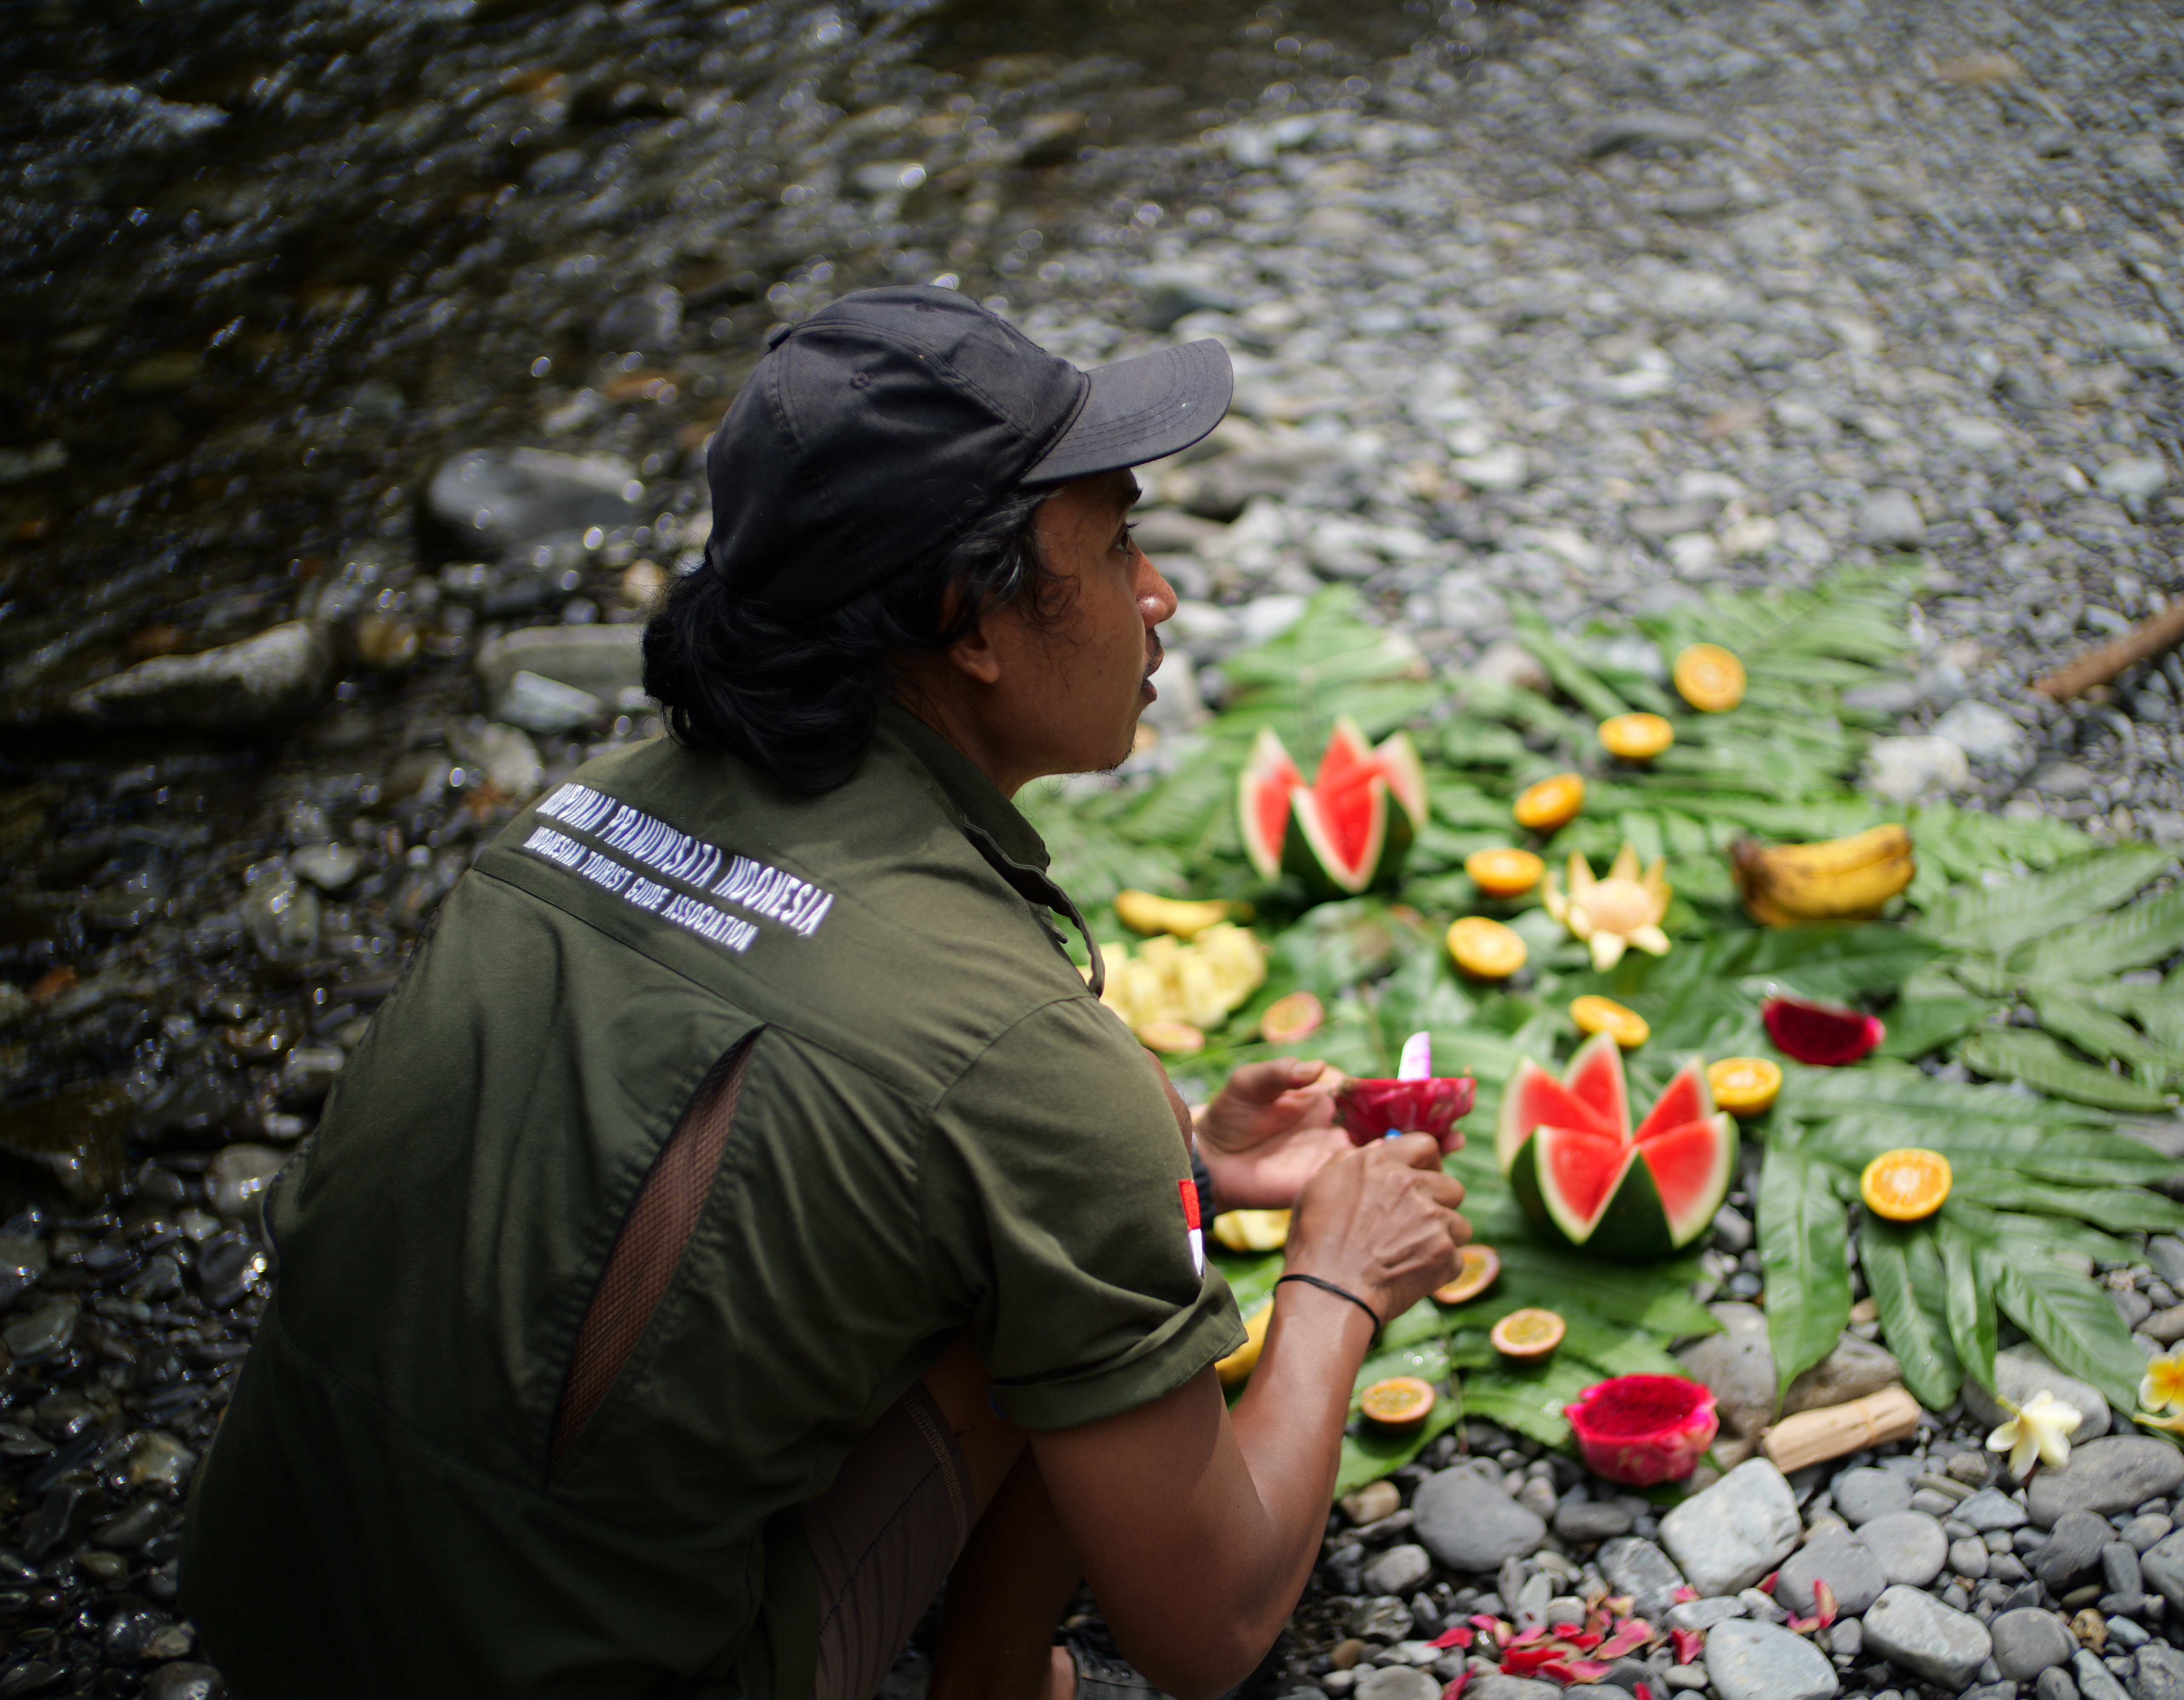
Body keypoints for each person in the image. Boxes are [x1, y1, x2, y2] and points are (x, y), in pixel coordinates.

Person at [183, 286, 1471, 1700]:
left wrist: (1186, 1173)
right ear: (963, 623)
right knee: (1052, 1277)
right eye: (1116, 546)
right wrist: (1338, 1285)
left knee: (1037, 1217)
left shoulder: (578, 813)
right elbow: (1209, 1632)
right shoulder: (1028, 1059)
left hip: (271, 1619)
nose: (1157, 596)